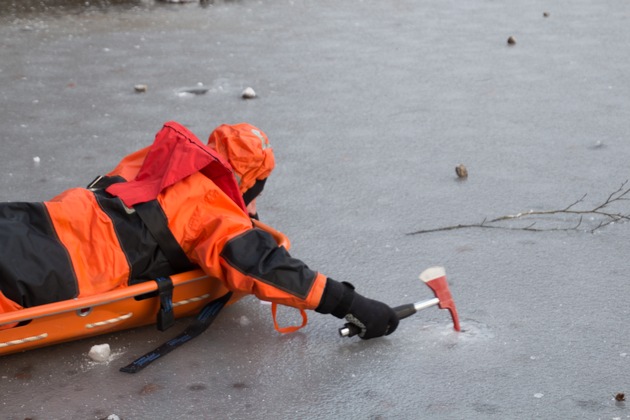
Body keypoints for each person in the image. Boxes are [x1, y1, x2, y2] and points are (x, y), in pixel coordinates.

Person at [0, 121, 398, 339]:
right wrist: (354, 304)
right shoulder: (214, 211)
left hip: (36, 219)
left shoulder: (157, 160)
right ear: (247, 187)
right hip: (56, 269)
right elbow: (266, 266)